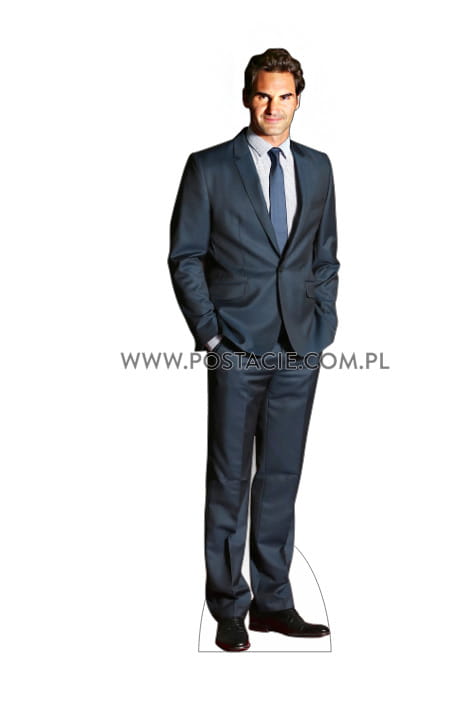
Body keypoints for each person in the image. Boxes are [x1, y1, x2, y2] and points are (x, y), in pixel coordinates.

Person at [169, 48, 339, 651]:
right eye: (264, 95)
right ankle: (228, 608)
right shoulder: (209, 167)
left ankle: (273, 602)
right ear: (248, 96)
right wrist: (212, 336)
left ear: (298, 100)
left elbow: (325, 256)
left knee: (281, 478)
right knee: (230, 478)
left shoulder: (318, 167)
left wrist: (322, 323)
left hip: (299, 347)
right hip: (236, 347)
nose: (273, 107)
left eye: (284, 96)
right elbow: (185, 256)